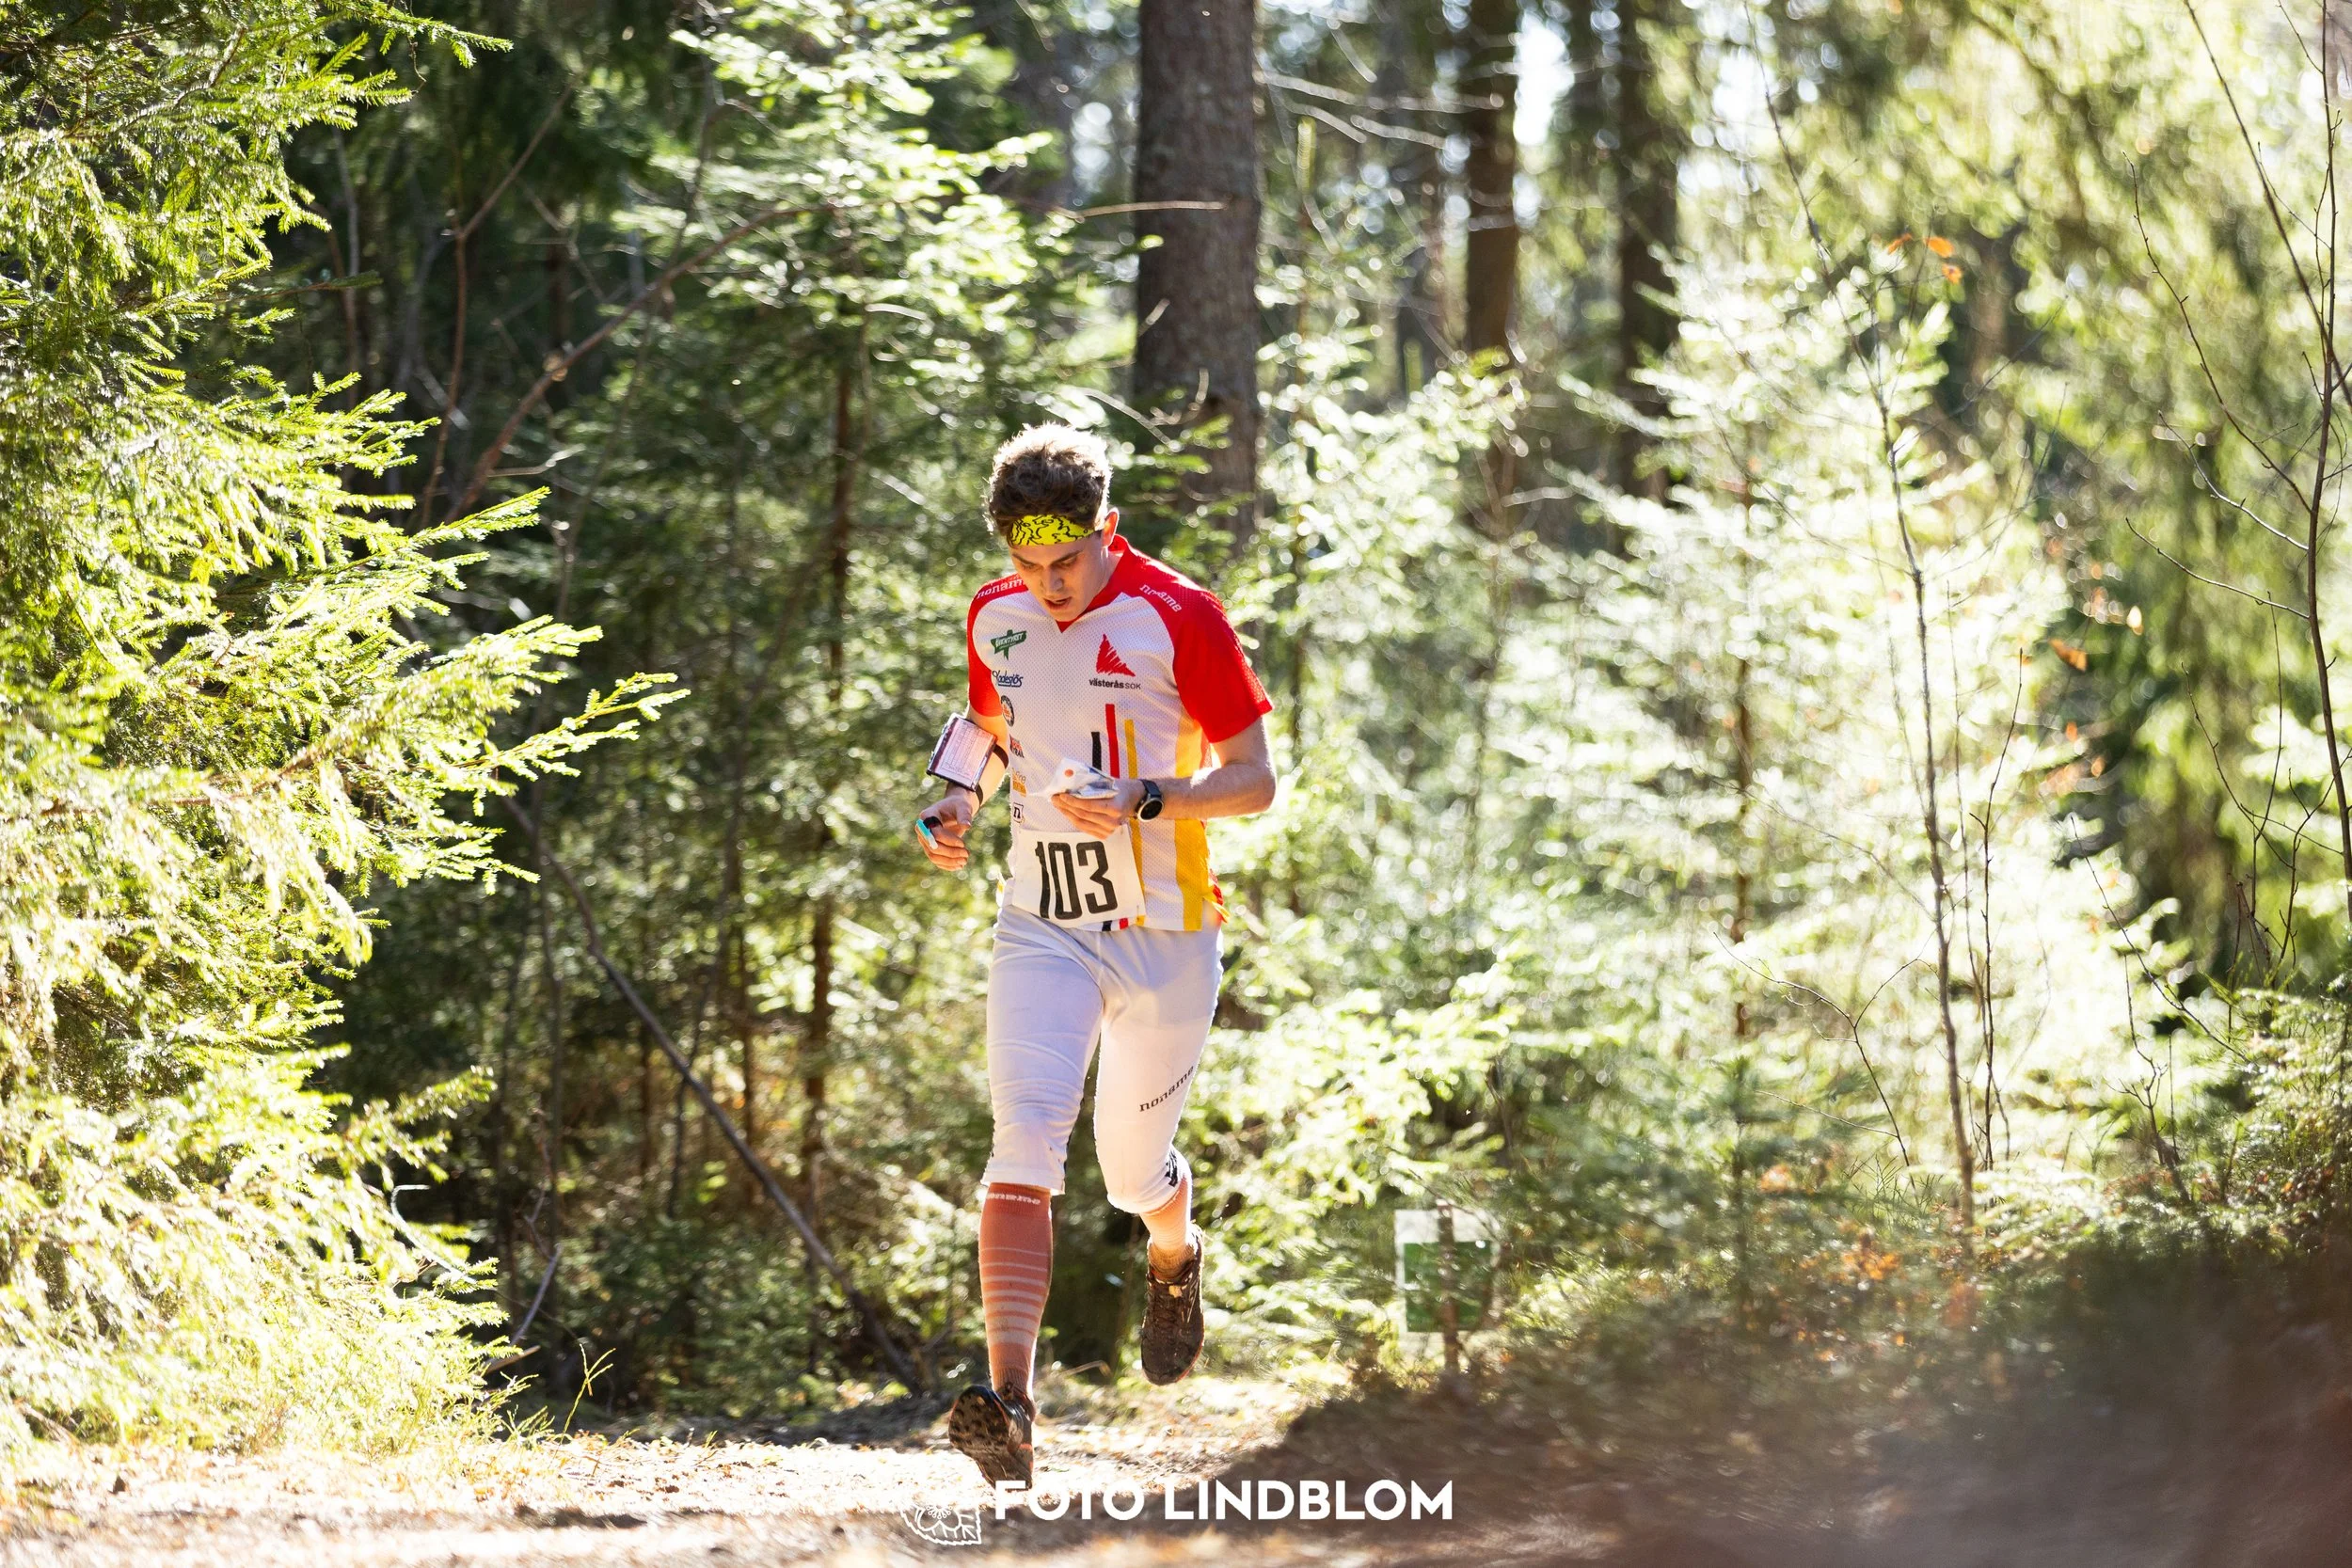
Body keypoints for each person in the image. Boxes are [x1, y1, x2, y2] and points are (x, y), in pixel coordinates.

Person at [914, 424, 1277, 1488]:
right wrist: (952, 798)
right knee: (1024, 1128)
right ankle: (1012, 1406)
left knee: (1130, 1175)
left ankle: (1175, 1250)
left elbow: (1255, 777)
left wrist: (1147, 795)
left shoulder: (1181, 617)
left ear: (1106, 529)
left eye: (1063, 562)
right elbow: (988, 722)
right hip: (1042, 921)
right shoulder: (997, 613)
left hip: (1166, 934)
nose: (1046, 585)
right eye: (1026, 564)